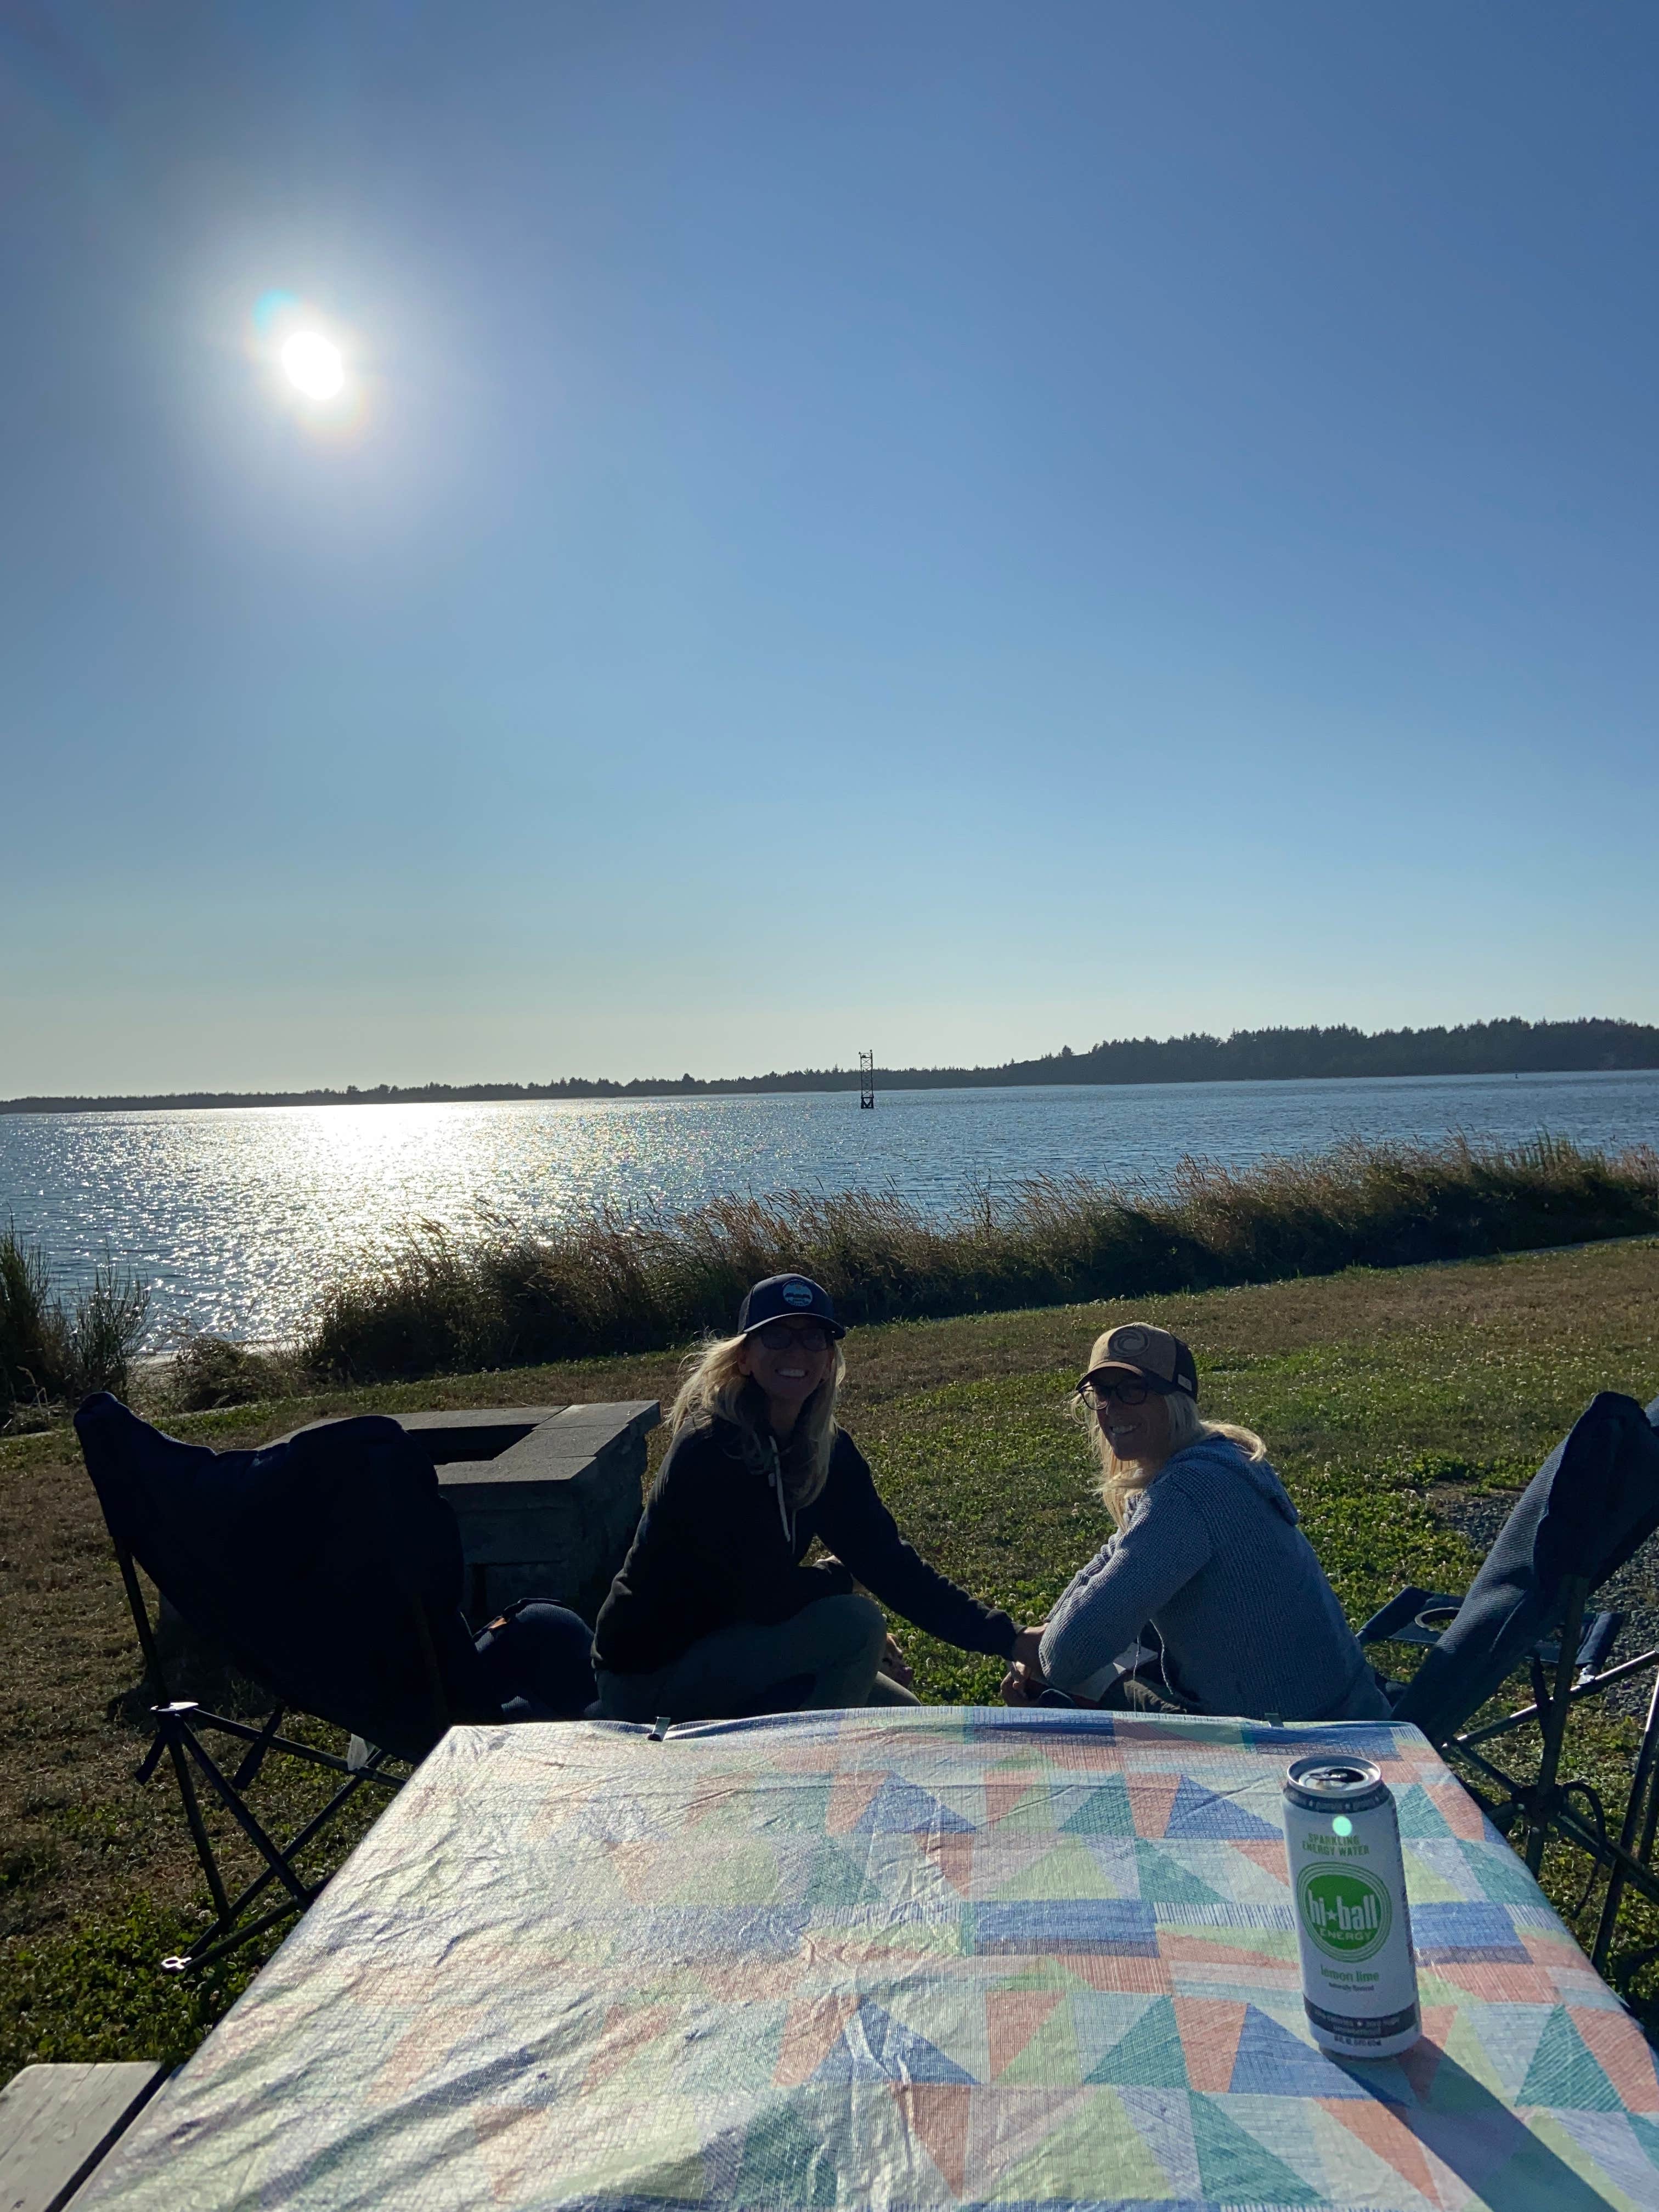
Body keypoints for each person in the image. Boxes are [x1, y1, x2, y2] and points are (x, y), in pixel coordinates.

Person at [593, 1273, 1041, 1721]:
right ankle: (803, 1779)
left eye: (814, 1338)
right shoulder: (710, 1449)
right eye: (778, 1336)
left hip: (736, 1644)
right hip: (649, 1675)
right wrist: (840, 1579)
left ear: (829, 1360)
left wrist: (1012, 1639)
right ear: (745, 1357)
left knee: (904, 1719)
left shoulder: (822, 1448)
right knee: (856, 1627)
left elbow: (890, 1564)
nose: (797, 1353)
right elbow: (759, 1597)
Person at [1003, 1322, 1389, 1722]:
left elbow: (1067, 1655)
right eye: (1102, 1393)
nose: (1113, 1408)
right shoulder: (1219, 1460)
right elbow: (1111, 1558)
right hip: (1343, 1704)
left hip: (1296, 1739)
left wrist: (1030, 1652)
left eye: (1133, 1391)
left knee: (1053, 1681)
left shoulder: (1186, 1493)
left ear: (1176, 1400)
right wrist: (1047, 1628)